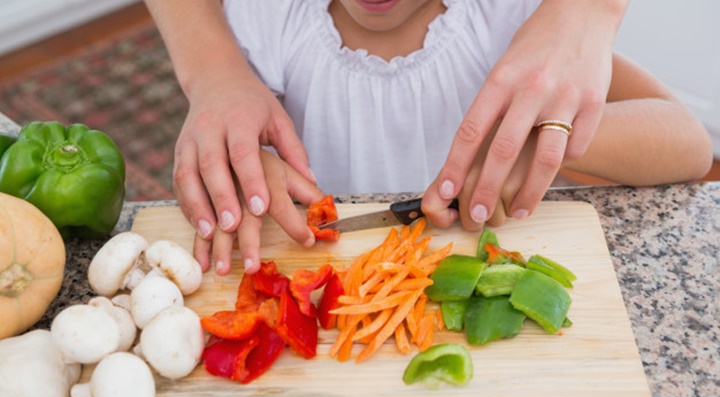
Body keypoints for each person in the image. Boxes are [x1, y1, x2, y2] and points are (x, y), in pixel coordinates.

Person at [144, 0, 713, 275]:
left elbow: (688, 142)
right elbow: (242, 135)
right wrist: (254, 169)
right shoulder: (272, 18)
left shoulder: (505, 17)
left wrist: (542, 143)